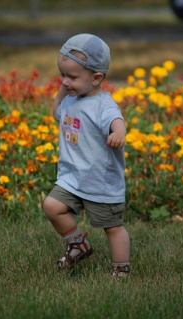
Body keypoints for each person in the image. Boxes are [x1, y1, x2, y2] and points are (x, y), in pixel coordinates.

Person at [42, 33, 130, 278]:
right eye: (62, 76)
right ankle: (79, 245)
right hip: (72, 178)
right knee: (52, 206)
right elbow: (56, 112)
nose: (65, 82)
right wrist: (63, 89)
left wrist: (118, 133)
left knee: (113, 227)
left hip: (99, 181)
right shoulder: (71, 100)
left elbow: (116, 120)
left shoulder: (103, 105)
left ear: (96, 78)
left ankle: (121, 269)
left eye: (71, 77)